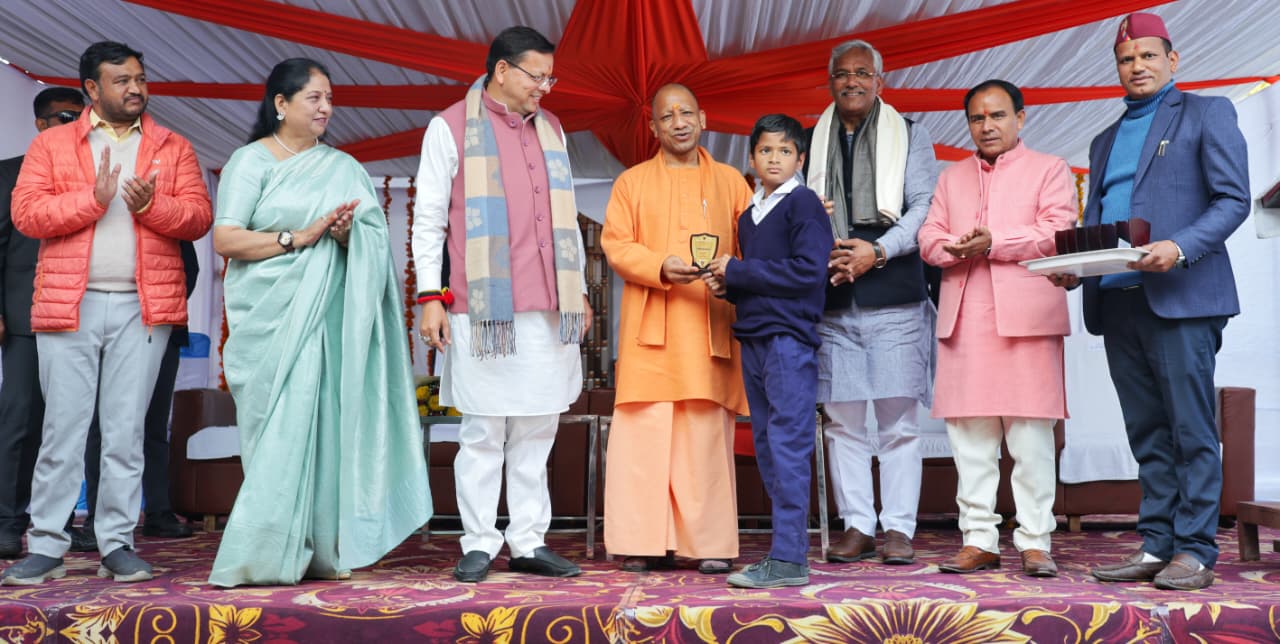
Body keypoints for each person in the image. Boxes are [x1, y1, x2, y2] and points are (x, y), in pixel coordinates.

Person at [208, 58, 431, 587]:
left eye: (330, 98)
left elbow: (371, 248)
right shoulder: (250, 161)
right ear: (280, 104)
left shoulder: (343, 167)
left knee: (324, 430)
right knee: (279, 436)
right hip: (271, 320)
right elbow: (226, 238)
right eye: (314, 97)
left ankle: (321, 549)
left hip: (325, 320)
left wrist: (347, 235)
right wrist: (297, 238)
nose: (326, 107)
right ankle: (263, 554)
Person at [2, 41, 212, 586]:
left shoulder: (172, 145)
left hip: (144, 308)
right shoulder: (51, 145)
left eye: (140, 78)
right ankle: (46, 545)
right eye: (122, 80)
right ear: (92, 89)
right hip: (69, 304)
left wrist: (152, 206)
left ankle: (116, 543)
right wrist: (92, 201)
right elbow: (27, 214)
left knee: (124, 431)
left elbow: (198, 217)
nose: (135, 89)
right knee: (62, 430)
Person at [1053, 13, 1250, 591]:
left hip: (1181, 297)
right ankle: (1157, 543)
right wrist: (1075, 269)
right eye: (1125, 59)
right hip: (1117, 301)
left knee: (1190, 429)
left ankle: (1196, 550)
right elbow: (1100, 219)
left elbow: (1233, 199)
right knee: (1146, 433)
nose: (1136, 66)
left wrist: (1180, 247)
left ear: (1172, 60)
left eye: (1146, 56)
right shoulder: (1103, 139)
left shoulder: (1207, 113)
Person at [412, 26, 589, 584]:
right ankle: (479, 542)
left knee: (538, 428)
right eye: (538, 76)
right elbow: (429, 220)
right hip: (483, 308)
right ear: (503, 70)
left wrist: (581, 289)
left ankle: (529, 541)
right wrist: (430, 297)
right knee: (483, 431)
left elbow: (568, 219)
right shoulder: (448, 127)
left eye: (550, 78)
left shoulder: (552, 128)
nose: (545, 88)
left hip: (549, 305)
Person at [918, 80, 1075, 577]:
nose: (987, 126)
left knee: (1030, 438)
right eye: (977, 118)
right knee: (970, 439)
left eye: (998, 115)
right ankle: (978, 540)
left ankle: (1035, 540)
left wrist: (994, 242)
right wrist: (953, 248)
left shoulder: (1050, 169)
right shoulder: (951, 178)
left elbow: (1057, 231)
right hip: (966, 317)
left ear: (1020, 118)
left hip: (1028, 318)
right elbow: (928, 237)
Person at [601, 83, 752, 575]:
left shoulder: (732, 182)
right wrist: (659, 265)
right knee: (643, 437)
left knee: (704, 437)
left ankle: (708, 542)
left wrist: (733, 271)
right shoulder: (632, 183)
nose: (679, 123)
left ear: (703, 118)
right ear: (653, 127)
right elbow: (616, 244)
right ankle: (642, 541)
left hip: (708, 324)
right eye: (667, 117)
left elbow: (753, 244)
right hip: (651, 327)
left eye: (686, 113)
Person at [805, 40, 938, 566]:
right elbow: (795, 208)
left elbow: (923, 206)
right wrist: (821, 245)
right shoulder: (808, 140)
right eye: (843, 74)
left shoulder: (910, 133)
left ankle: (899, 528)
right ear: (831, 82)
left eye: (863, 73)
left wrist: (877, 251)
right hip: (832, 294)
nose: (852, 82)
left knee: (899, 425)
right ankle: (858, 526)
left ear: (880, 82)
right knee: (842, 423)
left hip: (894, 291)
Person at [701, 114, 830, 588]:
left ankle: (790, 558)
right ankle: (784, 554)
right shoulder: (749, 213)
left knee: (787, 445)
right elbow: (762, 277)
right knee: (767, 446)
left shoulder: (804, 203)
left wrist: (738, 271)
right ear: (751, 159)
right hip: (754, 338)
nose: (775, 159)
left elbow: (809, 271)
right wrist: (729, 285)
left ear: (800, 159)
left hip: (788, 340)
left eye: (785, 151)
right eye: (765, 151)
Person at [0, 86, 84, 559]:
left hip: (80, 317)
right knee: (19, 421)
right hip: (25, 319)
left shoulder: (93, 173)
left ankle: (60, 523)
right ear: (40, 125)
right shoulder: (8, 174)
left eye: (80, 116)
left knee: (71, 424)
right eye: (65, 117)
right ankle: (7, 523)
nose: (75, 124)